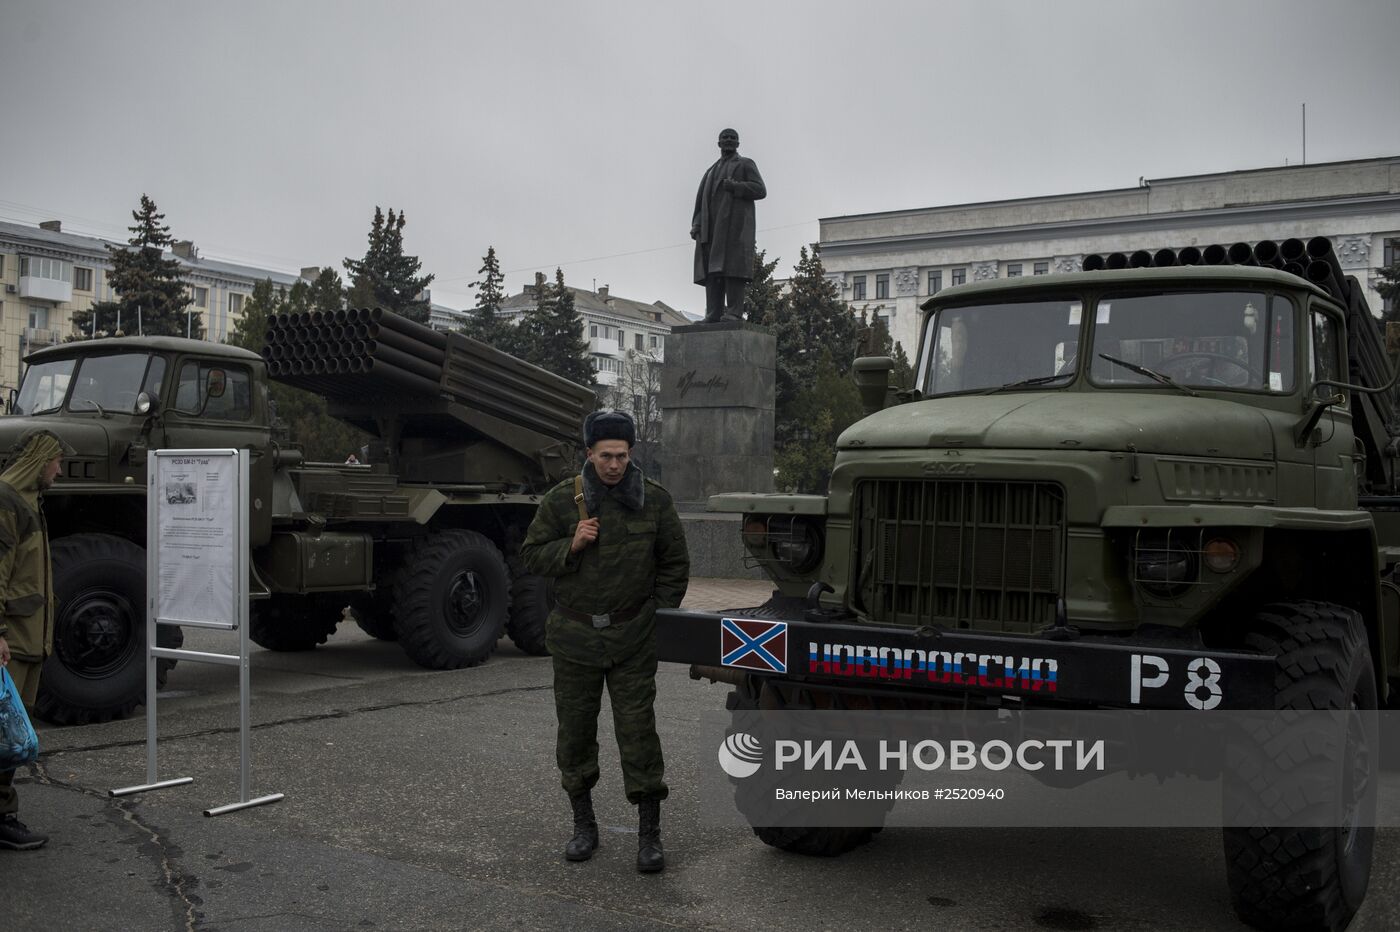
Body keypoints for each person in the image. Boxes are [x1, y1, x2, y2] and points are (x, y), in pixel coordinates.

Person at [520, 410, 689, 873]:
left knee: (639, 735)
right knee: (575, 735)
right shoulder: (562, 500)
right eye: (605, 456)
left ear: (631, 453)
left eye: (621, 456)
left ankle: (649, 835)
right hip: (574, 639)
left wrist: (656, 617)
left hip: (633, 638)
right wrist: (570, 545)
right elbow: (531, 556)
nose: (614, 465)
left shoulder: (654, 501)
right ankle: (584, 826)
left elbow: (674, 563)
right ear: (589, 454)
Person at [0, 429, 70, 851]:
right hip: (13, 641)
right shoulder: (7, 502)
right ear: (40, 460)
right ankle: (2, 818)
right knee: (4, 734)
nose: (59, 470)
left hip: (28, 637)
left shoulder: (29, 500)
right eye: (56, 461)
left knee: (10, 736)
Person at [691, 127, 766, 323]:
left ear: (738, 143)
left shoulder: (745, 164)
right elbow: (701, 202)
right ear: (719, 143)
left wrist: (736, 187)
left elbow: (760, 190)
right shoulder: (710, 171)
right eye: (725, 137)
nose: (729, 140)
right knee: (712, 272)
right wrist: (697, 224)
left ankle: (734, 312)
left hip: (734, 229)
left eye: (733, 137)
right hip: (710, 230)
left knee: (733, 270)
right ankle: (713, 313)